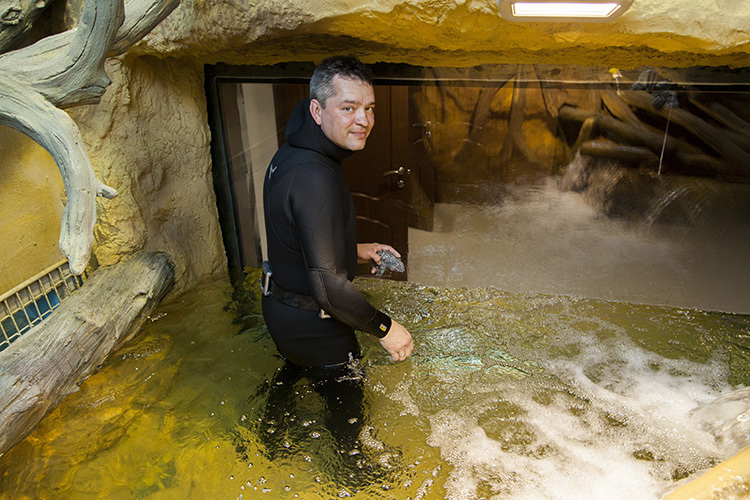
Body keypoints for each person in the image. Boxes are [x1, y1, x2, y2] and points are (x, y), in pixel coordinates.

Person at [261, 55, 414, 369]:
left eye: (369, 108)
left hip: (284, 310)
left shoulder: (293, 151)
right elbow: (328, 287)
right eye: (348, 108)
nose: (364, 120)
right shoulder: (313, 175)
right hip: (315, 327)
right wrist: (386, 328)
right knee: (347, 402)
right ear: (317, 111)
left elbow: (295, 236)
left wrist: (355, 250)